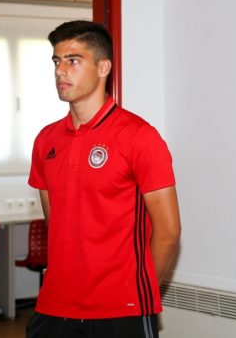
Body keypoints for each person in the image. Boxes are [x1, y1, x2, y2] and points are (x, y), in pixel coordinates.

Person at [26, 20, 181, 338]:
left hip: (120, 310)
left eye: (73, 60)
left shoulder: (139, 137)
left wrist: (138, 293)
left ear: (103, 67)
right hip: (55, 305)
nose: (60, 71)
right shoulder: (46, 140)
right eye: (56, 61)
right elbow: (55, 221)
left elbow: (168, 232)